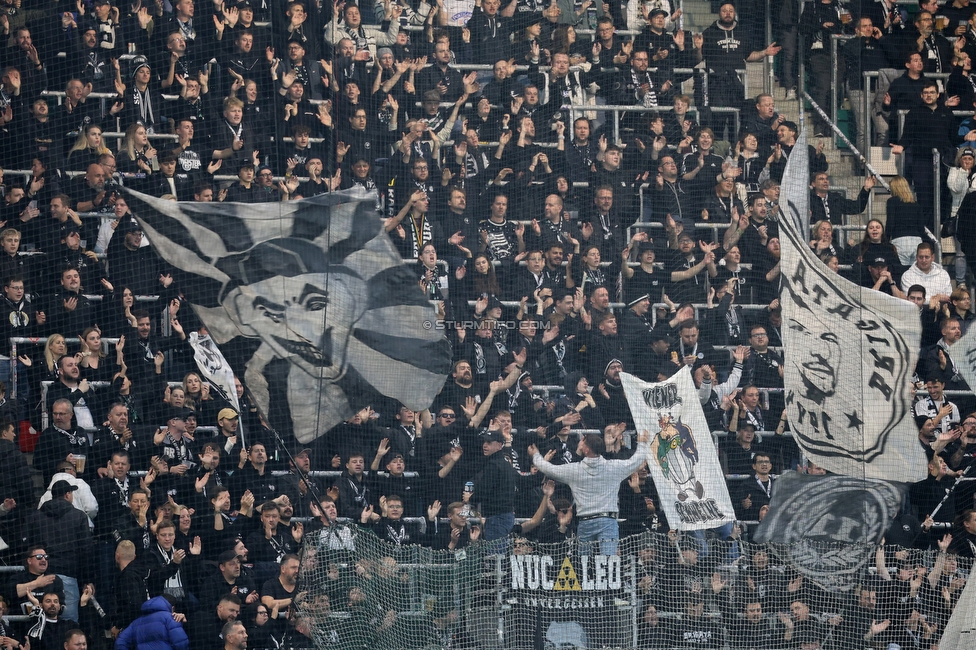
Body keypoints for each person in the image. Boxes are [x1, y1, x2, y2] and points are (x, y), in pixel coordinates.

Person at [529, 430, 650, 554]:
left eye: (582, 442)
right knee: (608, 563)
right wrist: (642, 443)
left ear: (586, 450)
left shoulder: (575, 470)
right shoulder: (614, 467)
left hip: (585, 522)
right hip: (607, 521)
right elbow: (636, 461)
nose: (580, 443)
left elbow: (549, 469)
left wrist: (536, 456)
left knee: (584, 565)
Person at [115, 595, 190, 650]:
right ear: (172, 607)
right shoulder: (171, 618)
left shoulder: (135, 623)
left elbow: (120, 643)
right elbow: (181, 644)